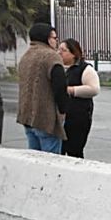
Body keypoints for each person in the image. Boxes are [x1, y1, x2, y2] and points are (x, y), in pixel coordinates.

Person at [17, 23, 68, 153]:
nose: (56, 41)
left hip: (27, 116)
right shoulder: (51, 56)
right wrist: (63, 109)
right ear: (45, 38)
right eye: (54, 38)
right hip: (46, 119)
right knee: (50, 160)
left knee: (34, 157)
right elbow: (60, 86)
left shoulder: (26, 56)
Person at [59, 38, 100, 158]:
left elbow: (94, 89)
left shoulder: (85, 69)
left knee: (74, 149)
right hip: (61, 115)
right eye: (59, 49)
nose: (59, 53)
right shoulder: (59, 67)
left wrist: (71, 90)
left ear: (74, 53)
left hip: (78, 116)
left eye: (63, 50)